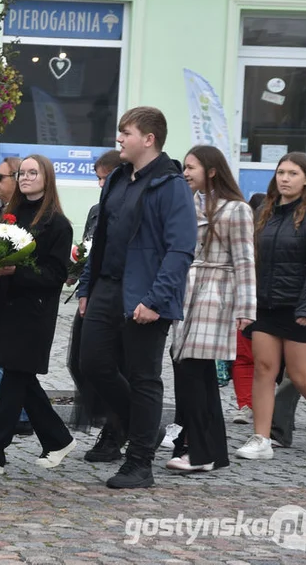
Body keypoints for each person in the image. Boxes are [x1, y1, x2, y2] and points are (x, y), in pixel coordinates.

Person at [76, 107, 197, 489]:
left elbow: (180, 249)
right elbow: (102, 240)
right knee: (91, 363)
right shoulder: (116, 179)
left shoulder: (171, 184)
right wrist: (86, 287)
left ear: (149, 139)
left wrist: (156, 300)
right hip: (107, 288)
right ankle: (143, 427)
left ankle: (139, 462)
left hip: (146, 294)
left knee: (144, 377)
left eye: (125, 132)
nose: (118, 139)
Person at [0, 154, 77, 475]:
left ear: (47, 178)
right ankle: (58, 439)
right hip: (5, 305)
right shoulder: (9, 215)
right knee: (21, 378)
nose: (26, 177)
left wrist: (16, 271)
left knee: (15, 376)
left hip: (34, 312)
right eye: (22, 173)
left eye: (33, 172)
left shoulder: (57, 223)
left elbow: (56, 275)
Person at [165, 146, 254, 473]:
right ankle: (214, 452)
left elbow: (245, 261)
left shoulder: (236, 210)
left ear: (212, 170)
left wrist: (246, 308)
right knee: (196, 374)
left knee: (192, 373)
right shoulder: (188, 204)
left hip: (215, 294)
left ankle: (200, 453)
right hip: (187, 294)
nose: (185, 172)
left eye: (192, 167)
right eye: (184, 167)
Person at [235, 153, 306, 462]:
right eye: (281, 172)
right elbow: (252, 260)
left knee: (300, 375)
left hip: (302, 307)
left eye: (292, 173)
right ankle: (261, 438)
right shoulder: (265, 211)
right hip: (266, 306)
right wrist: (246, 302)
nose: (285, 178)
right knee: (264, 370)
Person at [67, 150, 122, 450]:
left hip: (115, 294)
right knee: (79, 360)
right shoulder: (95, 209)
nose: (100, 185)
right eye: (98, 178)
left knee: (109, 363)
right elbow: (88, 247)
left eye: (105, 178)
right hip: (92, 291)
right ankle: (112, 417)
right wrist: (77, 271)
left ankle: (118, 425)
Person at [0, 155, 30, 435]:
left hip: (22, 297)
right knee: (5, 358)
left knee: (8, 357)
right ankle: (21, 414)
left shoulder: (26, 214)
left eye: (0, 177)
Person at [233, 192, 268, 424]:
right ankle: (252, 406)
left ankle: (249, 405)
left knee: (250, 359)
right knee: (252, 359)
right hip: (253, 303)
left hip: (261, 305)